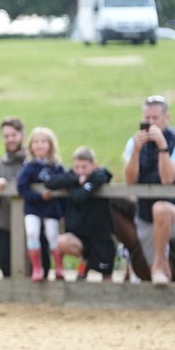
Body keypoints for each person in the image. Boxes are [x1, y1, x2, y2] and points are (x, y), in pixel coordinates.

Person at [0, 116, 48, 278]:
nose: (10, 139)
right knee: (7, 271)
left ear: (22, 135)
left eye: (14, 135)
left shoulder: (36, 164)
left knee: (41, 272)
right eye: (6, 136)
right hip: (7, 227)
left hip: (36, 228)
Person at [122, 94, 175, 284]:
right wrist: (136, 151)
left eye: (155, 118)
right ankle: (161, 270)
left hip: (171, 208)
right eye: (147, 118)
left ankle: (158, 265)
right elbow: (130, 180)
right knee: (163, 277)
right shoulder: (134, 143)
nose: (151, 123)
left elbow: (168, 179)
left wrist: (162, 147)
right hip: (145, 212)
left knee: (161, 208)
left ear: (166, 118)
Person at [45, 146, 115, 281]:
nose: (80, 171)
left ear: (94, 166)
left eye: (84, 167)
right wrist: (76, 181)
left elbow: (79, 196)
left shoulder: (100, 176)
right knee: (61, 241)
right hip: (79, 236)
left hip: (100, 235)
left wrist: (81, 187)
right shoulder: (73, 177)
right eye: (77, 167)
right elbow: (50, 183)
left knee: (107, 275)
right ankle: (84, 261)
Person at [16, 126, 65, 282]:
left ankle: (58, 267)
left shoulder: (57, 167)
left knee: (52, 235)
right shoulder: (29, 167)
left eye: (43, 142)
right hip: (33, 206)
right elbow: (21, 187)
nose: (39, 145)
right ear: (30, 146)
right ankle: (37, 268)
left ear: (51, 145)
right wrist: (39, 196)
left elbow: (65, 183)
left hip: (51, 208)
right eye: (36, 142)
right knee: (32, 232)